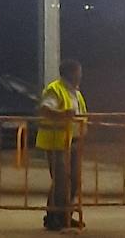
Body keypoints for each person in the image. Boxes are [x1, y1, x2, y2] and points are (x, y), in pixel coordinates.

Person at [35, 59, 87, 232]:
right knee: (61, 181)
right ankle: (52, 217)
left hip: (73, 142)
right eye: (78, 72)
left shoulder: (76, 93)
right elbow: (45, 110)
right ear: (70, 73)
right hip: (56, 143)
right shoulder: (55, 89)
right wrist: (62, 114)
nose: (80, 75)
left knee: (74, 180)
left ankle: (65, 216)